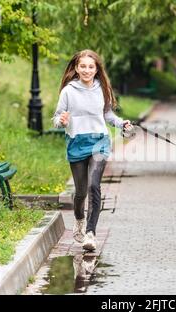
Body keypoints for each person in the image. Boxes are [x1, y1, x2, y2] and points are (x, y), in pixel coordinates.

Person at [52, 49, 133, 251]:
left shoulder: (101, 88)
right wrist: (61, 121)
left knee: (93, 186)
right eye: (83, 66)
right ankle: (79, 219)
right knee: (80, 192)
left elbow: (107, 114)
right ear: (76, 68)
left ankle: (90, 233)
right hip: (76, 143)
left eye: (91, 66)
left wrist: (122, 123)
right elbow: (57, 118)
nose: (87, 70)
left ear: (96, 69)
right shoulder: (68, 91)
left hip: (99, 141)